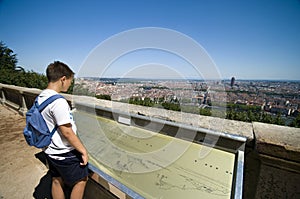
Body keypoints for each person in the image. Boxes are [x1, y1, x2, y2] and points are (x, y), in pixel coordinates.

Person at [38, 61, 88, 199]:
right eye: (69, 82)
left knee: (56, 179)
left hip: (49, 149)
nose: (69, 85)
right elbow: (67, 132)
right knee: (81, 181)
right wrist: (83, 151)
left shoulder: (41, 97)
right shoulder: (58, 102)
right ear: (63, 79)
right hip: (63, 152)